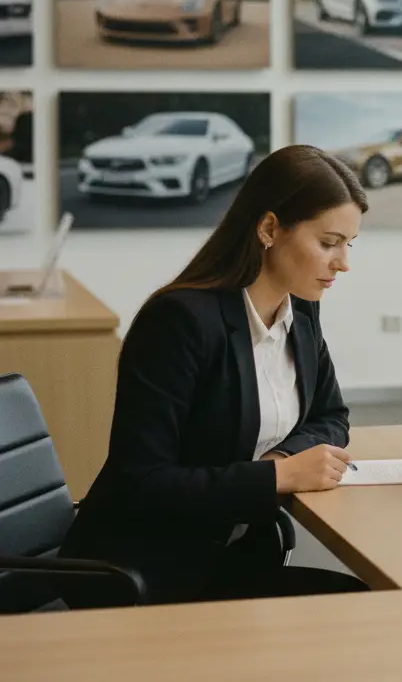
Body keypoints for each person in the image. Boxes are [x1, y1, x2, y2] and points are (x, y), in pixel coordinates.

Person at [60, 144, 371, 605]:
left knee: (364, 604)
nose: (343, 262)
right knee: (358, 612)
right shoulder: (180, 321)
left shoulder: (300, 311)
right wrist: (277, 478)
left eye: (349, 244)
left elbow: (331, 417)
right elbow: (142, 482)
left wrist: (282, 458)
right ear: (268, 228)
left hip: (232, 557)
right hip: (144, 571)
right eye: (328, 243)